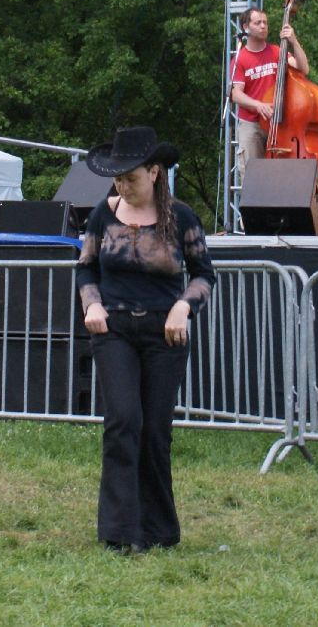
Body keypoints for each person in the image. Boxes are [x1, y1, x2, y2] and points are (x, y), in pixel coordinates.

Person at [76, 126, 215, 554]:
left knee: (155, 430)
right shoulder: (103, 213)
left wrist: (183, 308)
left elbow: (205, 274)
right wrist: (91, 305)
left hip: (164, 333)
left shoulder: (183, 218)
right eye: (117, 179)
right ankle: (119, 532)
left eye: (130, 178)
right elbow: (86, 268)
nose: (122, 186)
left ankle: (158, 530)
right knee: (123, 420)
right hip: (113, 329)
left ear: (155, 172)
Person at [229, 6, 311, 173]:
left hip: (279, 122)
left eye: (265, 22)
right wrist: (258, 105)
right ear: (246, 27)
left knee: (283, 175)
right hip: (252, 124)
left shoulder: (276, 52)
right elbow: (236, 94)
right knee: (253, 177)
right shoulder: (240, 58)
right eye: (258, 22)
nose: (263, 26)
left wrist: (294, 41)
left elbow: (303, 69)